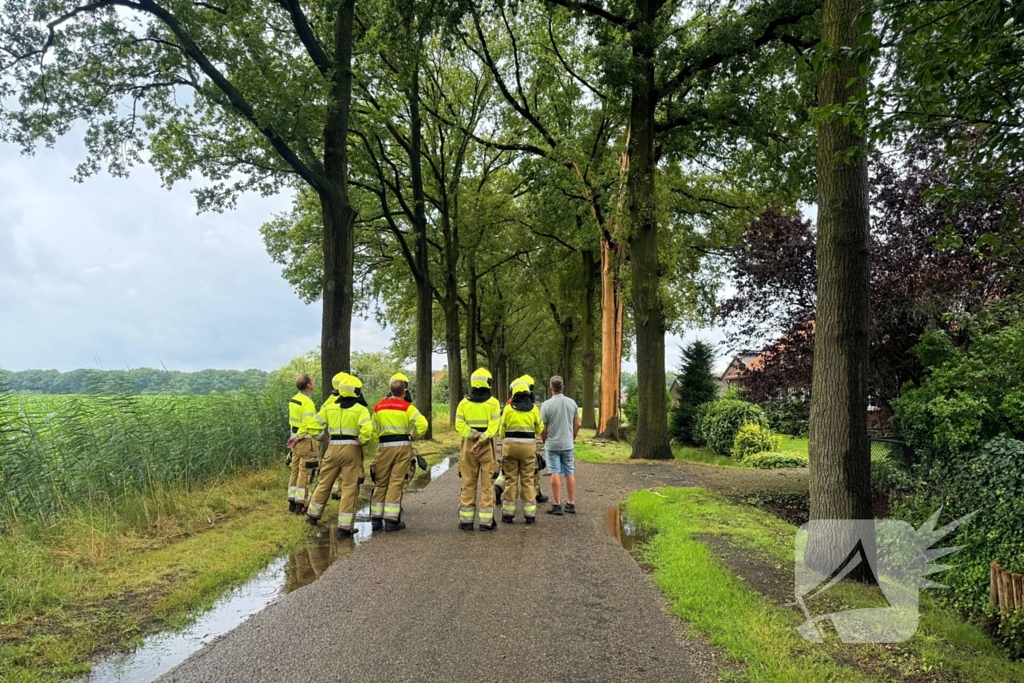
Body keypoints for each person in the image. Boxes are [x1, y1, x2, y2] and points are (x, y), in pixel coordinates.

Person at [304, 373, 375, 537]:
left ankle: (312, 516)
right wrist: (362, 441)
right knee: (350, 488)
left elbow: (313, 426)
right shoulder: (360, 409)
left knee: (324, 483)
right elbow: (367, 430)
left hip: (332, 448)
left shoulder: (330, 407)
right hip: (351, 449)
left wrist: (324, 439)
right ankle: (344, 527)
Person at [370, 375, 429, 532]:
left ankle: (376, 520)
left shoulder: (378, 407)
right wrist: (415, 436)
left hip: (384, 447)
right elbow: (423, 424)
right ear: (404, 392)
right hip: (402, 446)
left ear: (390, 390)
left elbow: (372, 428)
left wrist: (379, 440)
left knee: (381, 481)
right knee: (396, 482)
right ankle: (391, 521)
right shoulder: (407, 407)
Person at [455, 368, 501, 531]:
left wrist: (474, 437)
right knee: (487, 484)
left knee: (468, 482)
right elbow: (494, 426)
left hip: (468, 446)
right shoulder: (494, 403)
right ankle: (486, 522)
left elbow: (459, 425)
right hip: (487, 446)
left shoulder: (463, 403)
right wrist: (482, 439)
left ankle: (466, 521)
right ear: (488, 383)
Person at [499, 376, 542, 524]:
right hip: (528, 450)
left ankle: (508, 515)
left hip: (510, 448)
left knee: (511, 481)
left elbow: (501, 430)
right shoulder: (534, 409)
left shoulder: (508, 409)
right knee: (528, 481)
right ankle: (529, 515)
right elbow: (539, 428)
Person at [540, 375, 580, 516]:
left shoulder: (546, 405)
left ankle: (557, 504)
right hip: (567, 443)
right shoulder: (572, 403)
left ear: (551, 388)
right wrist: (572, 437)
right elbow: (577, 424)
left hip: (552, 444)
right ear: (562, 387)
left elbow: (543, 428)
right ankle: (571, 503)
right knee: (569, 471)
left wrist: (545, 440)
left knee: (554, 471)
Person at [286, 373, 319, 514]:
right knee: (305, 472)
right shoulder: (307, 403)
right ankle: (301, 504)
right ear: (309, 386)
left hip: (294, 438)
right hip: (304, 439)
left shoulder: (294, 399)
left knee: (295, 470)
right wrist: (300, 436)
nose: (314, 382)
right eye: (312, 381)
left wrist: (295, 437)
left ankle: (292, 502)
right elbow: (307, 422)